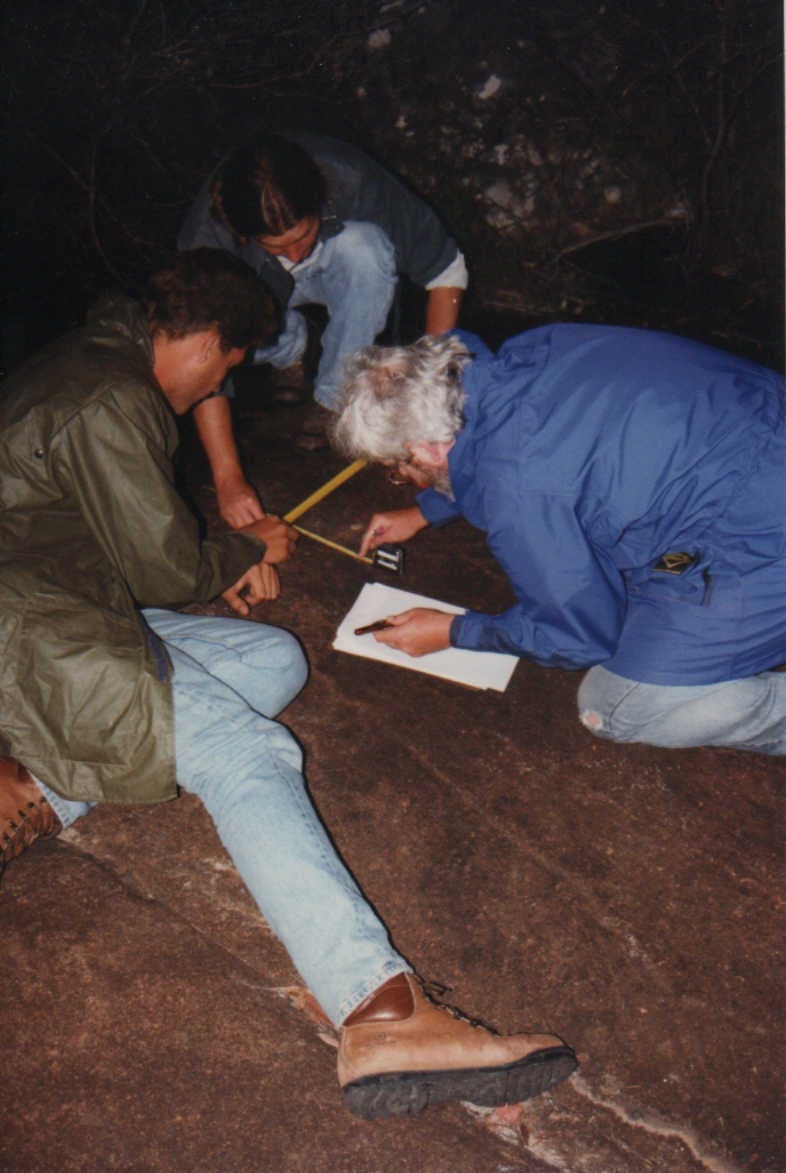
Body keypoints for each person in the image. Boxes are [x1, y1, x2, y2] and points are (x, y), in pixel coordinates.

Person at [0, 250, 576, 1118]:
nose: (209, 394)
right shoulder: (112, 394)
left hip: (60, 597)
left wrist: (213, 559)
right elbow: (160, 563)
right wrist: (247, 549)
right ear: (206, 342)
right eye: (225, 370)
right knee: (245, 749)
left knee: (274, 661)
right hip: (30, 627)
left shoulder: (91, 362)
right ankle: (379, 1010)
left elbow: (129, 547)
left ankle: (34, 779)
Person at [332, 325, 786, 756]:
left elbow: (581, 636)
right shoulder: (524, 353)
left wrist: (454, 630)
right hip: (761, 421)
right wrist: (425, 510)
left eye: (398, 466)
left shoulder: (519, 493)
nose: (403, 478)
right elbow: (525, 447)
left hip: (758, 530)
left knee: (615, 706)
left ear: (428, 448)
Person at [178, 130, 468, 522]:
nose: (295, 254)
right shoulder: (207, 237)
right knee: (213, 336)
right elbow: (203, 358)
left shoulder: (354, 180)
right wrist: (228, 478)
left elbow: (446, 269)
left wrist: (426, 402)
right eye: (278, 247)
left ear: (319, 202)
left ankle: (333, 398)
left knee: (365, 249)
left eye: (302, 236)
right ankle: (289, 344)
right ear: (243, 235)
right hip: (255, 291)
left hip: (338, 266)